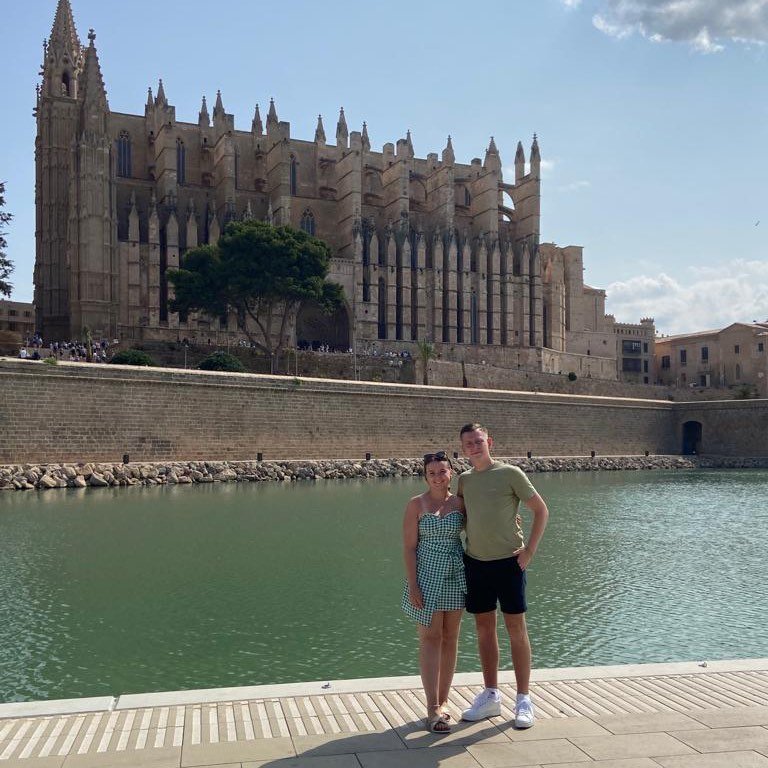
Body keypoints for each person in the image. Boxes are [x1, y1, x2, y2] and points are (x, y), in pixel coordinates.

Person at [457, 423, 549, 729]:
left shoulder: (510, 473)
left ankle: (523, 699)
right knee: (484, 630)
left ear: (489, 442)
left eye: (478, 441)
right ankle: (491, 695)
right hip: (476, 563)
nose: (474, 447)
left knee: (516, 629)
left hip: (510, 563)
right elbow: (466, 517)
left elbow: (541, 510)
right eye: (469, 443)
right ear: (463, 448)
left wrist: (529, 551)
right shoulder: (464, 480)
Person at [402, 451, 466, 733]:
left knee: (450, 638)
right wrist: (413, 584)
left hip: (455, 575)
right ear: (425, 476)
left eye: (442, 471)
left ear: (451, 473)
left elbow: (484, 525)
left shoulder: (461, 503)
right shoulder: (416, 504)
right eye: (432, 473)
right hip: (426, 577)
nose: (438, 477)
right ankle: (432, 707)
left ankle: (444, 700)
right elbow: (409, 548)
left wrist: (511, 523)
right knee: (430, 638)